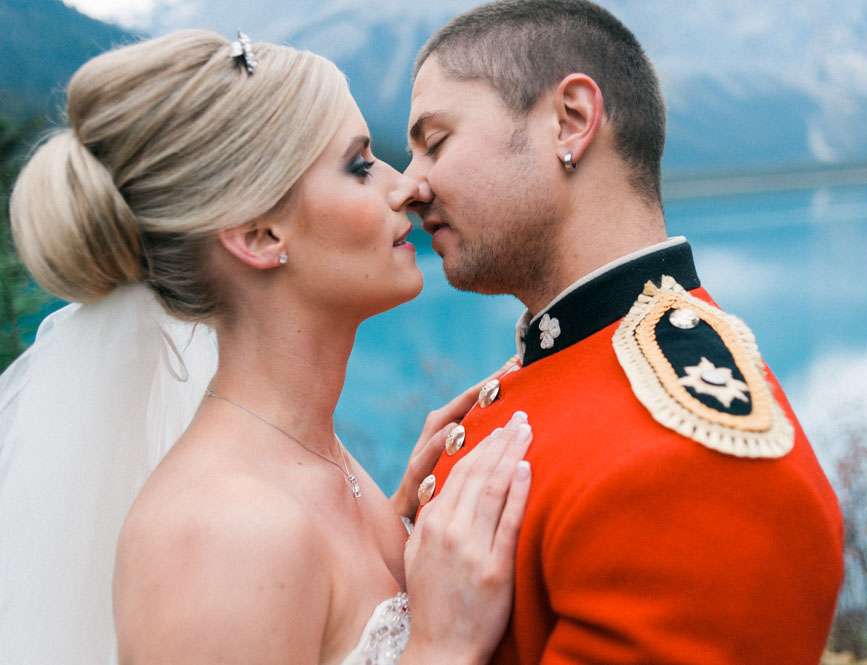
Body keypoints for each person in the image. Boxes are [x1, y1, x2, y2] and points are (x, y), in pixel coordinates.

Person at [0, 30, 534, 665]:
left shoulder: (313, 463)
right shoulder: (220, 535)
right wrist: (445, 644)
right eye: (359, 165)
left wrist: (402, 526)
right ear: (258, 236)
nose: (407, 188)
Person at [404, 1, 844, 663]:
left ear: (571, 120)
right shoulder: (569, 366)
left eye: (435, 142)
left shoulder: (694, 467)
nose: (410, 186)